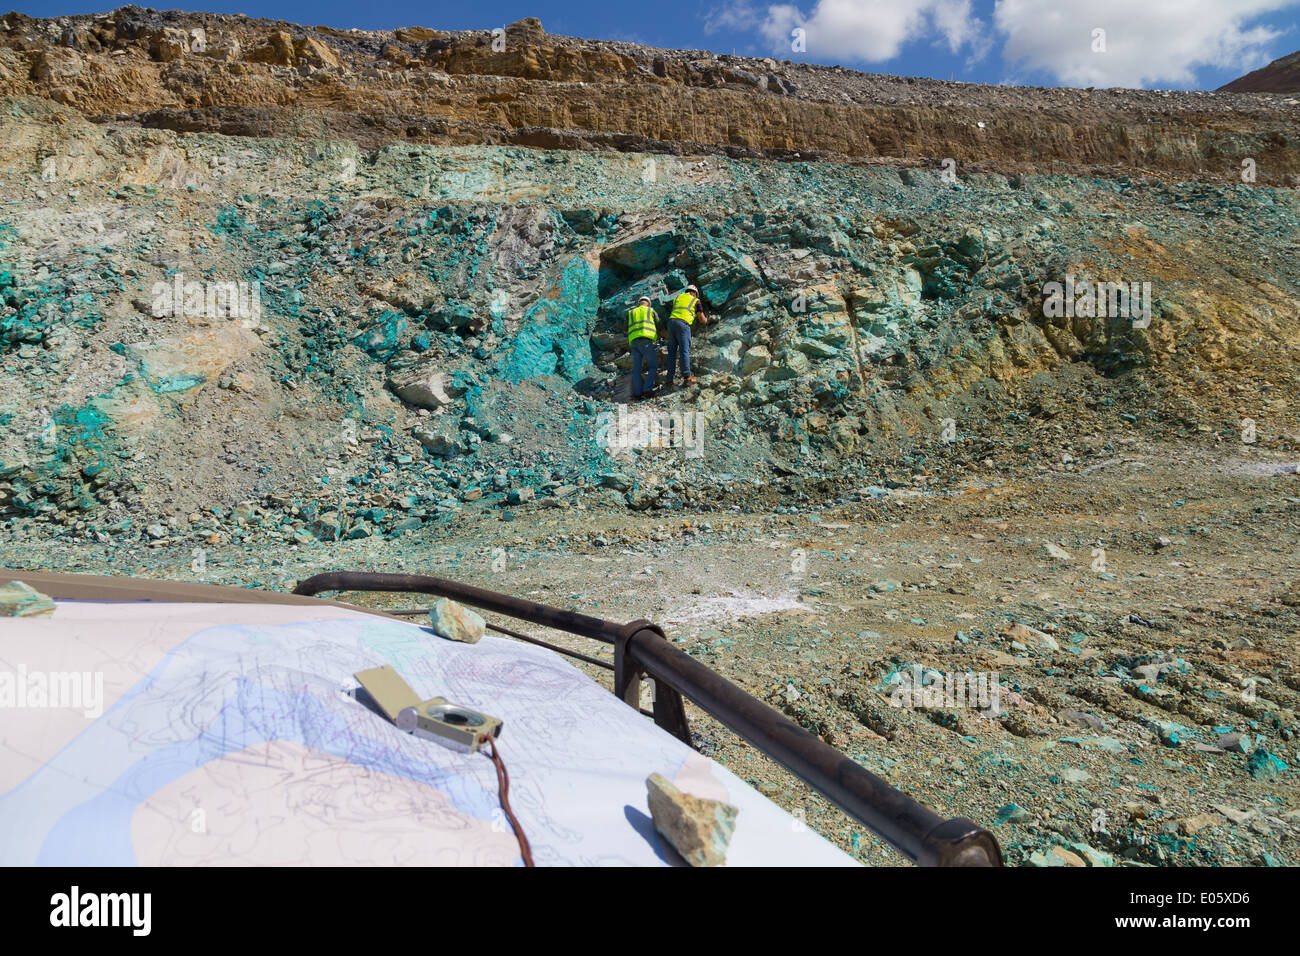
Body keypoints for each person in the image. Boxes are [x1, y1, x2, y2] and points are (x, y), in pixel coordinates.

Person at [665, 284, 707, 388]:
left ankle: (669, 380)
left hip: (671, 323)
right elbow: (701, 318)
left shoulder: (677, 298)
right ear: (695, 293)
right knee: (684, 350)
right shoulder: (695, 300)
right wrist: (706, 321)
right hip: (683, 325)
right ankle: (687, 378)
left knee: (671, 353)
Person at [626, 295, 659, 399]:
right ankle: (647, 390)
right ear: (648, 303)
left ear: (639, 303)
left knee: (636, 369)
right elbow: (658, 322)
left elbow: (626, 326)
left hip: (634, 342)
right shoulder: (650, 311)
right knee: (653, 366)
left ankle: (637, 393)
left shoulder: (631, 312)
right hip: (645, 341)